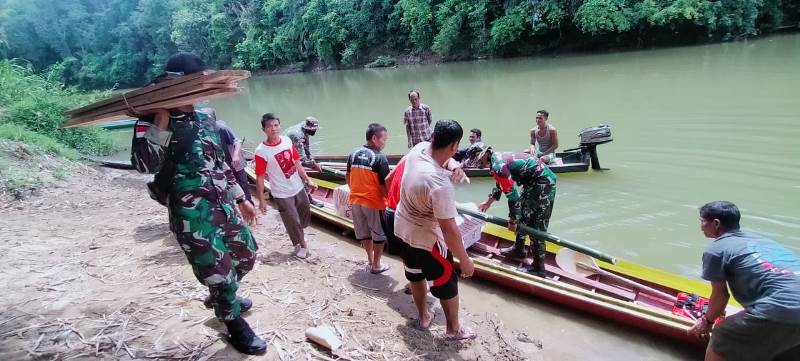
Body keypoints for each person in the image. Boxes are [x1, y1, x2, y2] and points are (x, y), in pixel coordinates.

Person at [130, 53, 266, 355]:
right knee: (217, 270)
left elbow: (220, 164)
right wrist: (161, 119)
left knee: (246, 255)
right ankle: (233, 323)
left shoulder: (207, 118)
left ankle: (222, 292)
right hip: (192, 213)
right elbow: (143, 164)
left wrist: (241, 198)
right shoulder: (150, 121)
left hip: (224, 204)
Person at [394, 119, 476, 340]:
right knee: (446, 284)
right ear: (454, 146)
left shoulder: (418, 149)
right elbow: (450, 231)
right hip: (426, 241)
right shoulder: (440, 185)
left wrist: (453, 165)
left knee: (414, 273)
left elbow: (441, 160)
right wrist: (465, 260)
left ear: (433, 137)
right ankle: (454, 329)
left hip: (401, 230)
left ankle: (423, 317)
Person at [688, 201, 800, 361]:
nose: (701, 226)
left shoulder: (716, 249)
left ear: (716, 224)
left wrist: (706, 321)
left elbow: (721, 296)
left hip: (781, 306)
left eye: (702, 221)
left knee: (722, 335)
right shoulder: (761, 240)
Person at [473, 144, 557, 277]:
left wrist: (513, 219)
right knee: (523, 216)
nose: (477, 162)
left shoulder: (498, 166)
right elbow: (501, 184)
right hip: (533, 184)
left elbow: (514, 197)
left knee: (536, 226)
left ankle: (538, 268)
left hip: (543, 184)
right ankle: (519, 250)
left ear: (484, 154)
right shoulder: (496, 159)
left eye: (477, 158)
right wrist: (488, 202)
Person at [254, 113, 318, 259]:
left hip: (298, 187)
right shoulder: (261, 151)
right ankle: (302, 246)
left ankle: (298, 238)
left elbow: (296, 162)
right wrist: (262, 200)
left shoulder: (287, 141)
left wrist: (308, 180)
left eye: (276, 125)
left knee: (304, 214)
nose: (273, 129)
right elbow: (259, 177)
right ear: (263, 129)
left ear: (280, 126)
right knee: (293, 220)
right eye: (269, 126)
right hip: (281, 192)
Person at [346, 123, 391, 274]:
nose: (385, 143)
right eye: (384, 139)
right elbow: (385, 186)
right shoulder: (380, 158)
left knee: (364, 233)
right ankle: (377, 265)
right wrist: (390, 200)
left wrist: (356, 191)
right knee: (379, 234)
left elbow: (348, 177)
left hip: (355, 200)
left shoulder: (353, 153)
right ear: (374, 138)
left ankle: (370, 260)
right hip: (373, 203)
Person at [283, 116, 323, 206]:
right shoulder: (298, 135)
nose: (315, 132)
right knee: (300, 176)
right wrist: (314, 165)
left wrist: (312, 160)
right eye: (314, 130)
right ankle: (309, 200)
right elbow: (300, 158)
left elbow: (306, 147)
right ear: (308, 128)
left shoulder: (303, 129)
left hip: (291, 151)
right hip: (284, 154)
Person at [213, 118, 252, 204]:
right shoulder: (205, 130)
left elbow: (237, 141)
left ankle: (251, 210)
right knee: (230, 190)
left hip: (235, 165)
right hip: (223, 166)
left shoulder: (221, 128)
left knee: (243, 188)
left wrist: (236, 156)